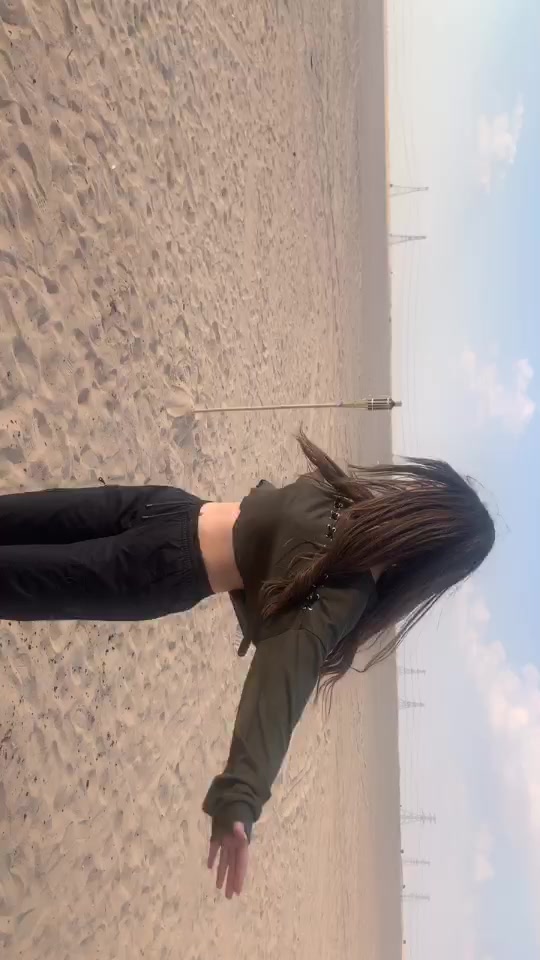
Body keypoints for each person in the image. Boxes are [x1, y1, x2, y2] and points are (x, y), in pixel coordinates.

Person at [0, 433, 495, 898]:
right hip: (162, 519)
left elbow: (283, 680)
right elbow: (283, 665)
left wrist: (242, 797)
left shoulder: (343, 570)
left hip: (158, 548)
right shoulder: (349, 519)